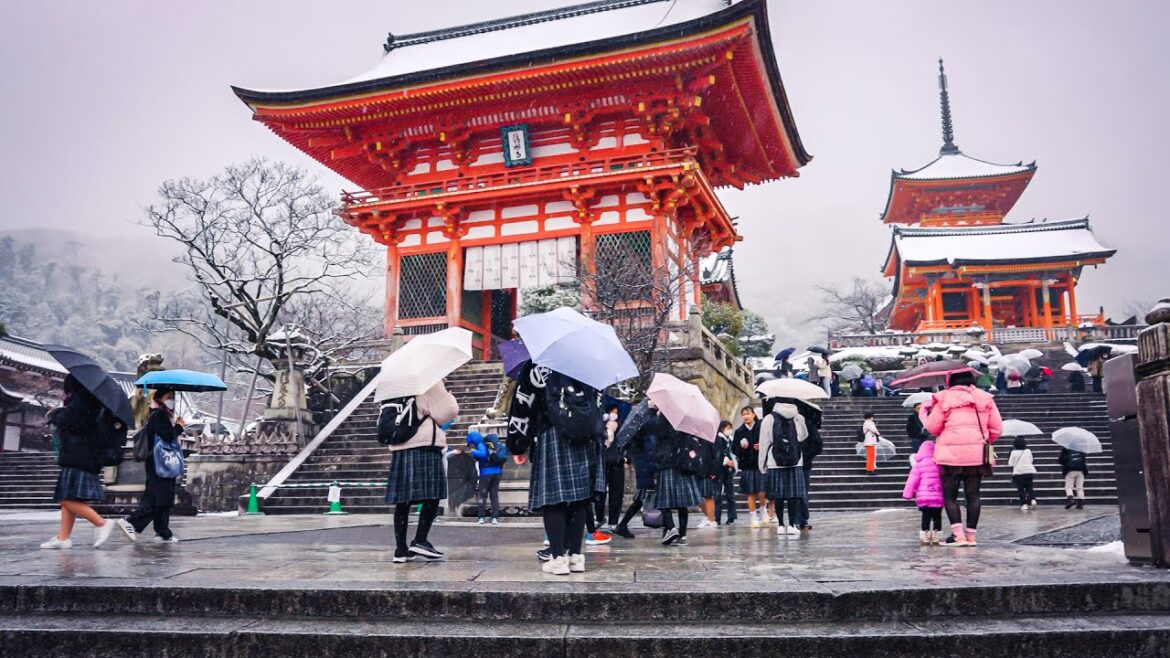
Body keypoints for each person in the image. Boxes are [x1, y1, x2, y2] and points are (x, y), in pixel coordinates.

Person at [508, 365, 596, 575]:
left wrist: (518, 444)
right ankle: (575, 557)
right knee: (579, 499)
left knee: (553, 498)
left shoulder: (537, 365)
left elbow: (523, 404)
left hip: (552, 432)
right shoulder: (584, 363)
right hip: (583, 435)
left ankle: (558, 559)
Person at [41, 375, 133, 549]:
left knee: (64, 498)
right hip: (86, 455)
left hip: (78, 455)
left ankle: (101, 523)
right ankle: (63, 538)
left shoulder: (83, 399)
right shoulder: (95, 400)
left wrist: (55, 414)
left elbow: (71, 420)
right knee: (69, 498)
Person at [925, 370, 1003, 547]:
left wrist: (929, 410)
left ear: (951, 381)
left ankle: (958, 536)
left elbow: (933, 428)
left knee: (950, 497)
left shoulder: (943, 398)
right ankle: (971, 536)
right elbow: (997, 428)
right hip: (976, 455)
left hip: (950, 456)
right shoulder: (984, 398)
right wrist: (981, 439)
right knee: (973, 495)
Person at [385, 380, 458, 563]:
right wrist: (447, 395)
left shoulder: (395, 385)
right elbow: (448, 412)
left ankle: (400, 550)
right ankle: (420, 539)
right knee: (433, 496)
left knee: (403, 502)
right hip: (424, 446)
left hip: (400, 447)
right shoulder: (428, 381)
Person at [120, 388, 185, 543]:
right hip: (160, 462)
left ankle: (162, 532)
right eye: (168, 396)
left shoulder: (158, 415)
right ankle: (131, 522)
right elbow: (167, 435)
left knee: (162, 498)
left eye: (172, 397)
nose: (171, 400)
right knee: (157, 498)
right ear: (160, 399)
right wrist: (179, 427)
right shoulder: (159, 415)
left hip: (158, 462)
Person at [757, 401, 809, 537]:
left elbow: (764, 442)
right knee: (793, 495)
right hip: (795, 461)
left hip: (775, 461)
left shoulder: (769, 419)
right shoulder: (798, 417)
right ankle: (792, 525)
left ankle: (780, 525)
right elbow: (803, 436)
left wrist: (762, 464)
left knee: (778, 494)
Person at [654, 415, 703, 546]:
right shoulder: (685, 421)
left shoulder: (663, 420)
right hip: (683, 465)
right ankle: (682, 535)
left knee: (664, 502)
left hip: (667, 464)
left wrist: (656, 415)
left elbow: (657, 436)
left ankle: (671, 528)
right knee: (682, 504)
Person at [613, 420, 657, 539]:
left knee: (641, 499)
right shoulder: (646, 426)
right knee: (642, 499)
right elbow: (650, 451)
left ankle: (622, 525)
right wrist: (654, 470)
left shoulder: (638, 428)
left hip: (643, 466)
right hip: (646, 468)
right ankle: (669, 528)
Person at [733, 406, 770, 527]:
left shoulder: (761, 427)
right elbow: (734, 450)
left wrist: (762, 445)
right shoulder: (739, 431)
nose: (745, 416)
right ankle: (753, 517)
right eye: (743, 414)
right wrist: (741, 447)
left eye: (748, 414)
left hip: (761, 464)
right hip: (747, 465)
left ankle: (763, 509)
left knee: (762, 491)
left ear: (753, 414)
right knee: (750, 493)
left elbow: (770, 441)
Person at [902, 438, 944, 545]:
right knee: (937, 516)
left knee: (926, 516)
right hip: (938, 495)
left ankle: (925, 536)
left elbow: (912, 481)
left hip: (924, 497)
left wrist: (907, 494)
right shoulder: (939, 464)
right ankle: (936, 536)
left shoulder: (919, 465)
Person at [596, 406, 625, 531]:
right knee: (600, 492)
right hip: (603, 461)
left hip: (616, 461)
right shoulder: (600, 424)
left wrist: (625, 457)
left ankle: (613, 520)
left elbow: (627, 441)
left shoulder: (622, 425)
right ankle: (599, 517)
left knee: (616, 493)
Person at [468, 430, 507, 524]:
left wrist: (473, 452)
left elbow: (483, 455)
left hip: (485, 473)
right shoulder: (495, 445)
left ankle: (481, 517)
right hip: (497, 473)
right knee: (494, 496)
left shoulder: (481, 445)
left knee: (483, 495)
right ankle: (494, 518)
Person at [712, 420, 738, 526]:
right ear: (722, 429)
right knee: (717, 495)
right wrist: (726, 461)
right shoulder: (718, 439)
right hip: (719, 470)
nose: (729, 430)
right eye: (727, 428)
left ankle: (731, 517)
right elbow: (717, 454)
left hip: (728, 470)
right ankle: (717, 518)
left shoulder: (730, 440)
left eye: (730, 428)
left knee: (730, 494)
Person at [697, 425, 723, 528]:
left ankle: (711, 520)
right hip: (698, 469)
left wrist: (714, 471)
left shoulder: (714, 437)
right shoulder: (697, 436)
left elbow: (717, 455)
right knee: (697, 496)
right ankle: (708, 516)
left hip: (708, 470)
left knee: (708, 495)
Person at [1008, 436, 1038, 511]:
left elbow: (1010, 463)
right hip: (1029, 471)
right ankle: (1033, 500)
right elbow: (1031, 460)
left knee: (1021, 489)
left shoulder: (1013, 452)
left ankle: (1024, 504)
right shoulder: (1028, 451)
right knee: (1030, 487)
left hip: (1019, 473)